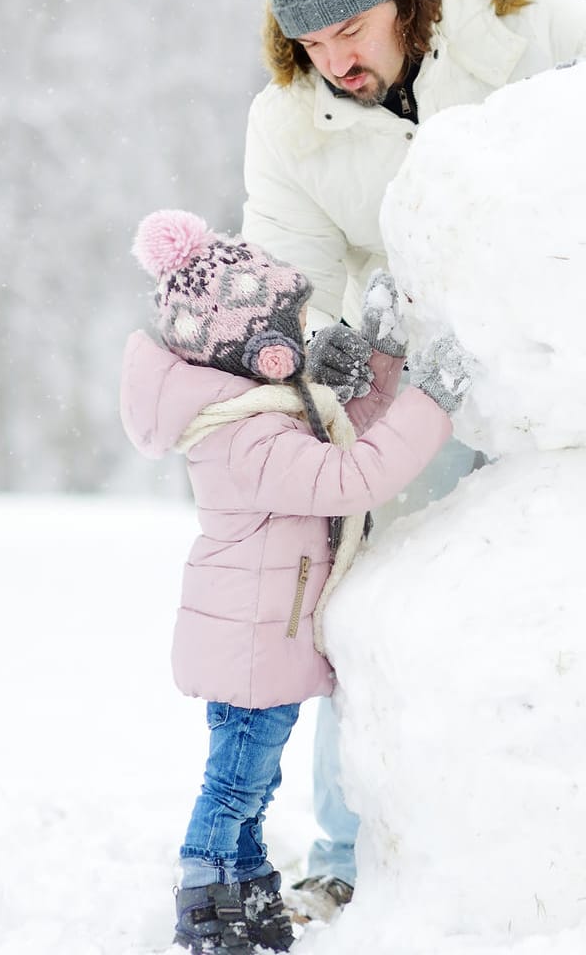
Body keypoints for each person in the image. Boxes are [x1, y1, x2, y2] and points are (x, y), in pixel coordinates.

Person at [241, 0, 586, 919]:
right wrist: (333, 343)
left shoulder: (517, 19)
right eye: (311, 40)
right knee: (377, 600)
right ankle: (347, 846)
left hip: (562, 364)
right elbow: (289, 288)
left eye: (352, 29)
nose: (336, 59)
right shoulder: (289, 126)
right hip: (414, 384)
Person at [118, 209, 471, 954]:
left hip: (260, 636)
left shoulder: (257, 414)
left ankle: (244, 884)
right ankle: (208, 891)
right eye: (295, 324)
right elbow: (353, 473)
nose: (308, 336)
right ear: (263, 350)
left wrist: (380, 367)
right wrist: (431, 405)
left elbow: (345, 433)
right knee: (235, 784)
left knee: (253, 777)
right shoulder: (247, 437)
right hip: (253, 642)